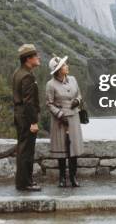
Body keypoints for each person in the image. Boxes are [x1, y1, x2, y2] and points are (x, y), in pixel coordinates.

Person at [45, 55, 84, 187]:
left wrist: (77, 101)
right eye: (64, 65)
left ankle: (73, 177)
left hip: (73, 117)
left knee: (73, 149)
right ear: (58, 70)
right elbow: (49, 104)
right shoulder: (50, 85)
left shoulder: (73, 79)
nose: (67, 66)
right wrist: (60, 114)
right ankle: (62, 178)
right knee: (62, 149)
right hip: (60, 120)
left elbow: (79, 94)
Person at [12, 44, 42, 191]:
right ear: (28, 59)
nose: (38, 57)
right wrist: (34, 122)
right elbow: (28, 102)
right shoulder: (27, 76)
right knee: (27, 151)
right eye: (36, 56)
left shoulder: (18, 73)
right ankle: (26, 183)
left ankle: (22, 182)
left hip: (20, 115)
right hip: (26, 117)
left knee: (22, 149)